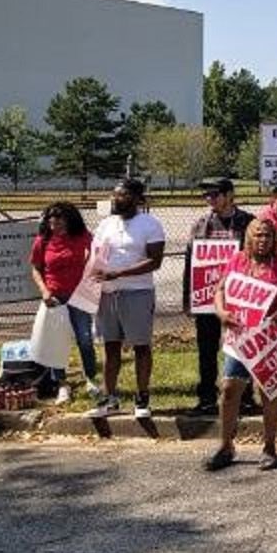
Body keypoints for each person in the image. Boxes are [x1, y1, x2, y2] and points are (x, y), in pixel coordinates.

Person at [203, 219, 277, 472]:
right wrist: (221, 312)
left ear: (275, 239)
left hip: (271, 338)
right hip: (240, 337)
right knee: (230, 388)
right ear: (249, 238)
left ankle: (270, 446)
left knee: (269, 390)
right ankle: (225, 446)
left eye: (268, 236)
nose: (263, 240)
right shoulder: (238, 260)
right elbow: (220, 289)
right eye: (258, 235)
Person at [87, 179, 166, 420]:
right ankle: (111, 399)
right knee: (111, 347)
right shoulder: (106, 224)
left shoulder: (150, 224)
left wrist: (119, 273)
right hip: (107, 294)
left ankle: (142, 399)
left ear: (136, 198)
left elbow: (155, 261)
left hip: (137, 293)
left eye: (121, 195)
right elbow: (97, 255)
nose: (115, 199)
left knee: (141, 347)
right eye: (114, 195)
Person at [183, 177, 258, 416]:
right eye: (206, 195)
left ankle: (245, 398)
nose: (209, 199)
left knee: (241, 349)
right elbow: (190, 263)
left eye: (214, 195)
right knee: (206, 350)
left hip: (240, 299)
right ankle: (206, 398)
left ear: (229, 195)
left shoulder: (248, 222)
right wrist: (189, 298)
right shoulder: (200, 225)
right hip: (207, 300)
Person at [29, 202, 99, 405]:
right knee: (56, 343)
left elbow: (96, 259)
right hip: (55, 298)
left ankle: (91, 380)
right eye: (50, 218)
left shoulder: (84, 236)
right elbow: (35, 268)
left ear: (70, 220)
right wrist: (44, 290)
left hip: (79, 297)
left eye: (59, 219)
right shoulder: (43, 240)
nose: (54, 222)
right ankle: (61, 384)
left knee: (85, 340)